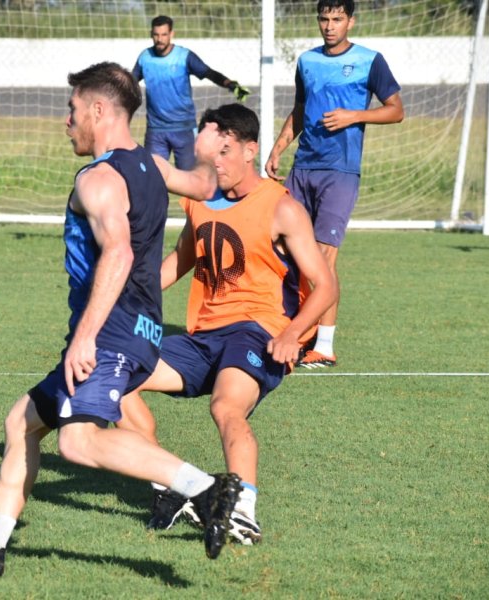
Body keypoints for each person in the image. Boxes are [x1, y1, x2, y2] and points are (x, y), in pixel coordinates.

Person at [0, 62, 241, 578]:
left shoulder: (98, 178)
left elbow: (119, 255)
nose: (68, 120)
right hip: (143, 331)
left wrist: (84, 338)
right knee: (21, 423)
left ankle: (202, 486)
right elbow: (201, 183)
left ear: (99, 110)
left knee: (76, 441)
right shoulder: (152, 165)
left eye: (73, 109)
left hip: (109, 333)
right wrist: (210, 152)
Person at [118, 103, 338, 545]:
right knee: (116, 382)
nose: (214, 162)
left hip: (259, 331)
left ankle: (242, 512)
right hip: (202, 336)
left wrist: (293, 333)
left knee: (226, 407)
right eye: (209, 152)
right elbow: (178, 263)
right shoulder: (200, 203)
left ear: (250, 150)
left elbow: (326, 285)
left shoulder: (281, 208)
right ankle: (175, 486)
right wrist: (121, 297)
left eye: (225, 151)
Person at [265, 0, 403, 368]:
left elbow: (396, 109)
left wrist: (354, 116)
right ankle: (288, 326)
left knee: (324, 258)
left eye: (337, 19)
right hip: (302, 168)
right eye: (324, 19)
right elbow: (298, 110)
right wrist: (278, 149)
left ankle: (322, 345)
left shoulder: (370, 60)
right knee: (280, 245)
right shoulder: (307, 61)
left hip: (340, 171)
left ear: (350, 22)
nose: (329, 25)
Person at [132, 14, 250, 171]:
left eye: (164, 35)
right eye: (156, 35)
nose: (160, 39)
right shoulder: (145, 57)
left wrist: (230, 84)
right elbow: (130, 82)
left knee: (190, 180)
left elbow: (209, 73)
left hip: (184, 129)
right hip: (156, 130)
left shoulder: (184, 56)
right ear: (151, 34)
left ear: (171, 34)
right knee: (152, 177)